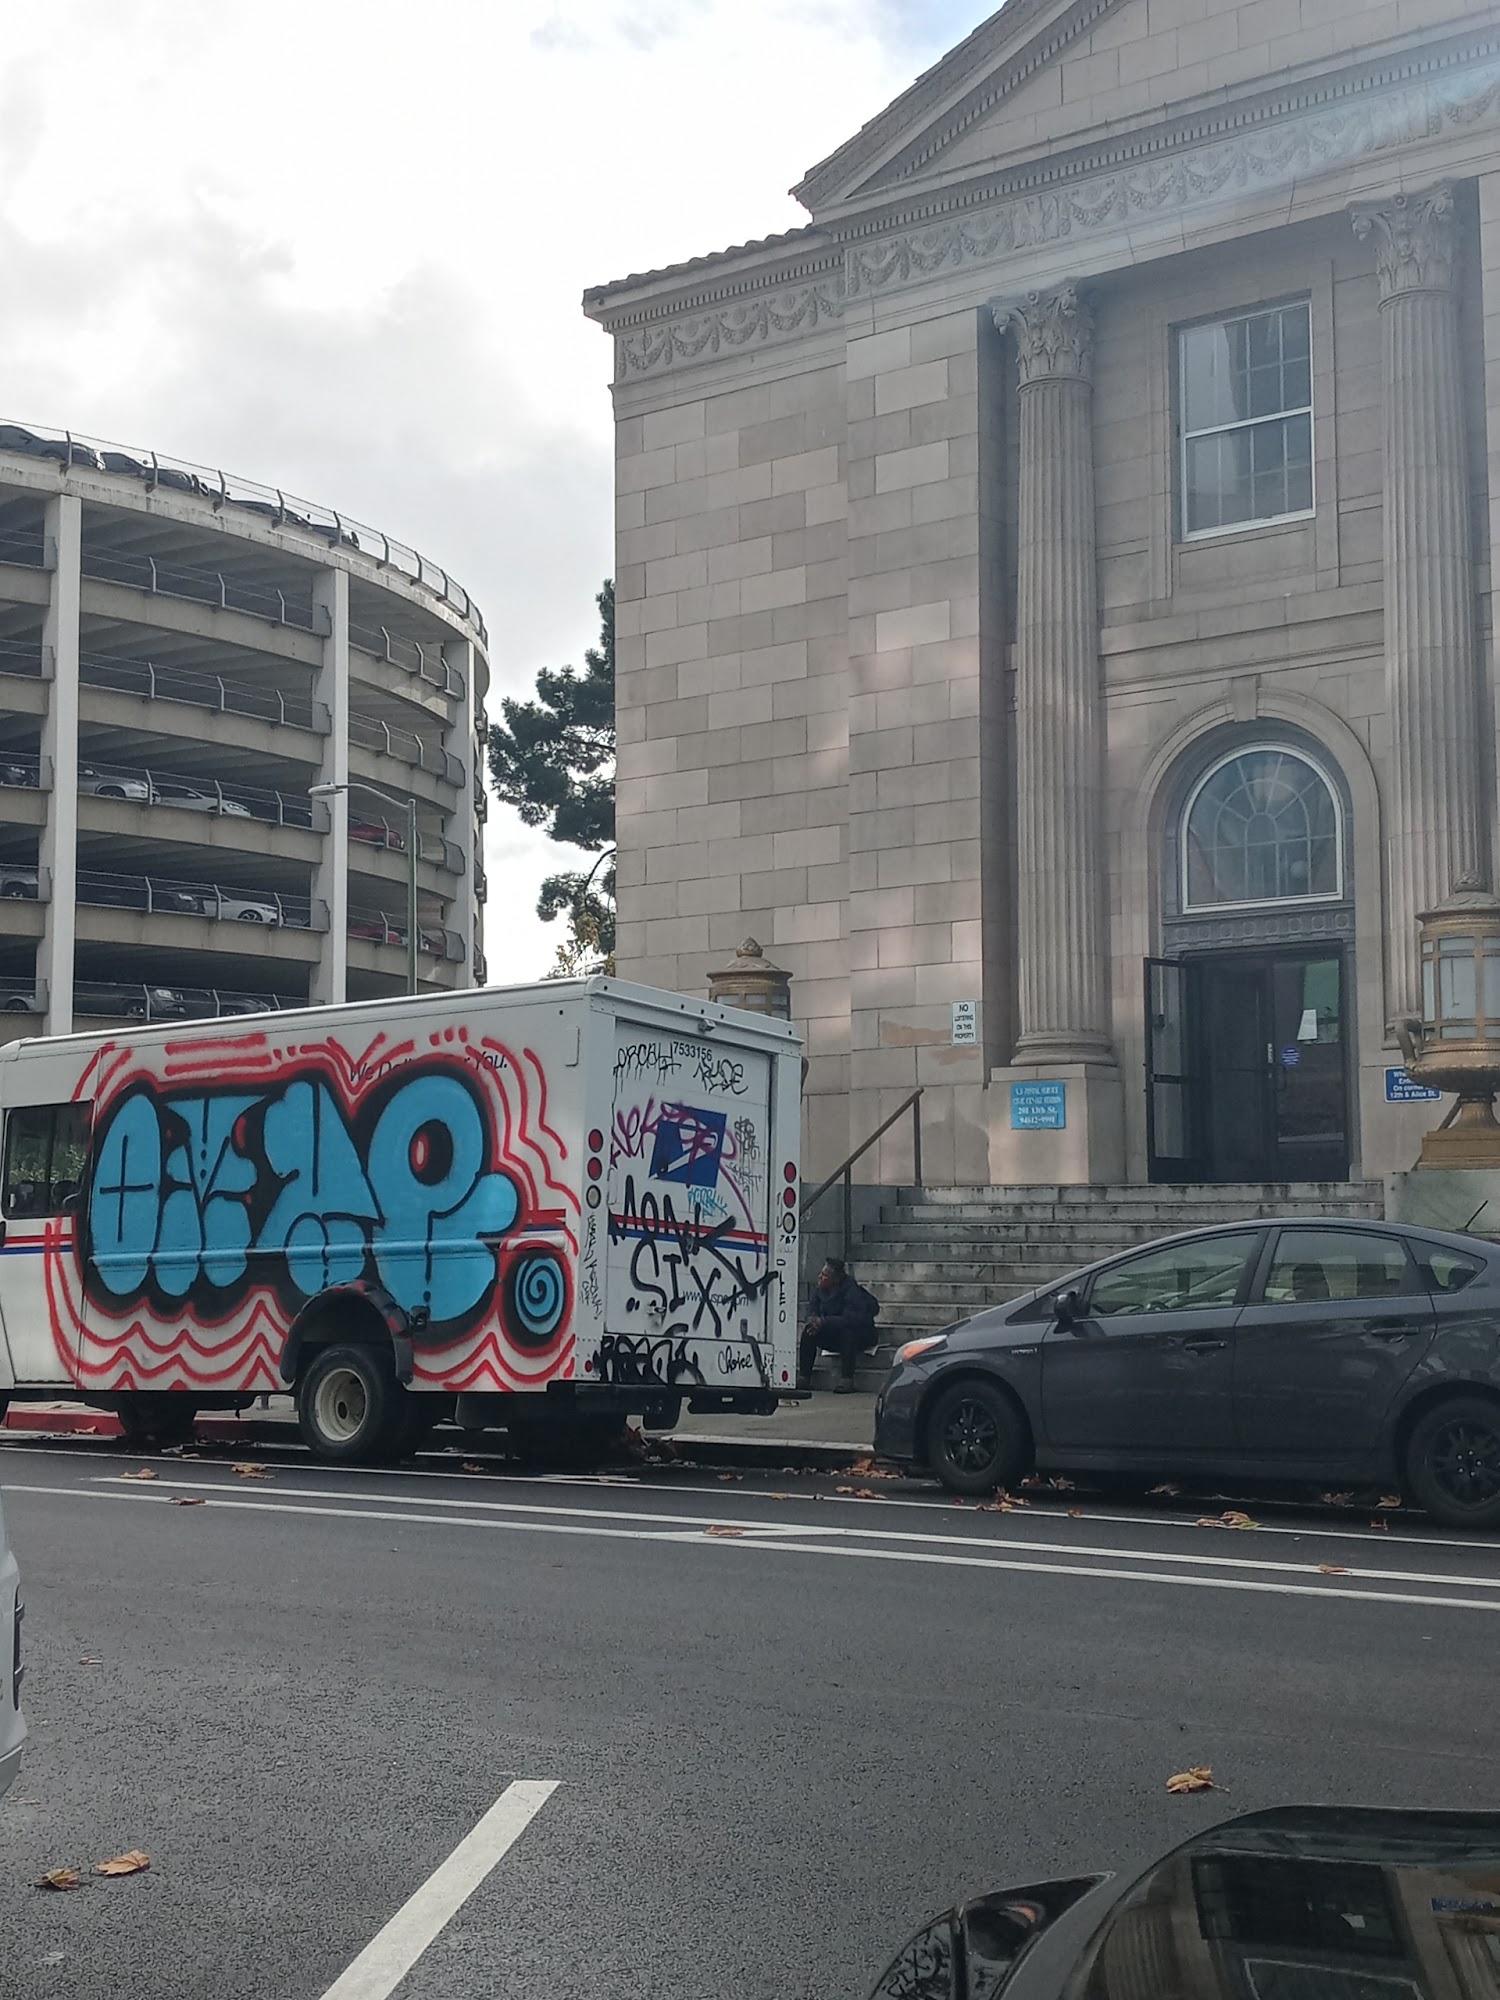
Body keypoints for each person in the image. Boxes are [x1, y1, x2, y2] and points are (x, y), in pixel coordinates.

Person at [798, 1258, 879, 1394]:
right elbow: (811, 1309)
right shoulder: (819, 1290)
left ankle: (847, 1379)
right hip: (833, 1333)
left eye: (824, 1275)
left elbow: (851, 1319)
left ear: (835, 1280)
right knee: (808, 1331)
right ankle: (804, 1377)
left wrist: (823, 1322)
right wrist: (813, 1320)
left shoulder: (852, 1291)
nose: (820, 1277)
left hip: (860, 1335)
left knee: (848, 1333)